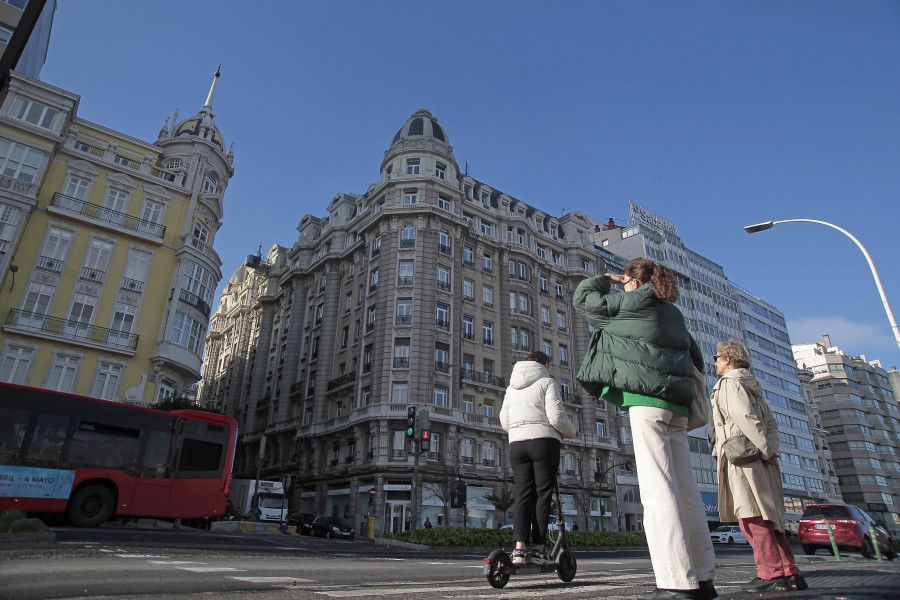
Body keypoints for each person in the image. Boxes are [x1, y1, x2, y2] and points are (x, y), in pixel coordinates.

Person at [573, 259, 716, 600]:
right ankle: (703, 577)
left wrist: (605, 278)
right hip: (678, 408)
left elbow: (583, 299)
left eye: (625, 282)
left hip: (646, 402)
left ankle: (675, 582)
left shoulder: (628, 302)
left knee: (657, 490)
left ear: (633, 283)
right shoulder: (673, 313)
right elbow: (696, 357)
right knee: (687, 492)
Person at [711, 339, 807, 593]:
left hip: (743, 458)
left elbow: (744, 418)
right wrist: (770, 450)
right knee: (769, 516)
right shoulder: (753, 385)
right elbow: (772, 425)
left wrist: (762, 449)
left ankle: (771, 573)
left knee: (751, 518)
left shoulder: (729, 383)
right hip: (762, 458)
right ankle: (789, 571)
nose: (715, 362)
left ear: (728, 359)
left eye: (717, 358)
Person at [500, 351, 576, 567]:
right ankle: (540, 550)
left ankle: (519, 549)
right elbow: (556, 416)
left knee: (523, 495)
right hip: (544, 443)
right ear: (546, 365)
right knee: (543, 495)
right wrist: (571, 432)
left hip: (517, 445)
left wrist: (519, 429)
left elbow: (504, 421)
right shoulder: (547, 382)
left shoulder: (511, 388)